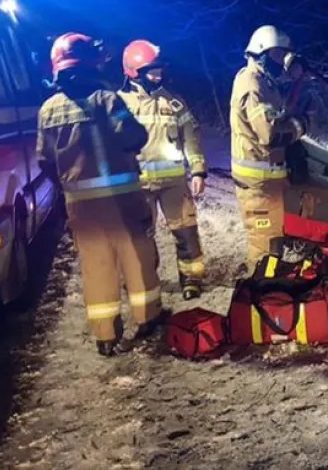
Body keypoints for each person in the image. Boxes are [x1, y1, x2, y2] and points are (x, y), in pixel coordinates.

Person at [37, 33, 162, 357]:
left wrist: (70, 185)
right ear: (90, 63)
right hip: (121, 199)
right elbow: (134, 136)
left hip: (81, 207)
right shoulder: (107, 100)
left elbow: (45, 161)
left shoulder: (48, 111)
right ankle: (147, 319)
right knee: (136, 257)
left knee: (96, 265)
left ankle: (105, 336)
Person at [119, 39, 207, 300]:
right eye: (152, 71)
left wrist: (199, 170)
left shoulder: (174, 102)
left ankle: (192, 279)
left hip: (174, 183)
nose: (159, 75)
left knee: (186, 231)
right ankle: (145, 282)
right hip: (136, 185)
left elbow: (191, 134)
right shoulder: (118, 104)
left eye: (159, 70)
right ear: (134, 72)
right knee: (141, 237)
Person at [229, 25, 306, 270]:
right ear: (261, 53)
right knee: (266, 246)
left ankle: (268, 285)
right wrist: (301, 125)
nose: (280, 62)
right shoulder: (252, 84)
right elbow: (270, 134)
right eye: (276, 56)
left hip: (268, 180)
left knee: (275, 239)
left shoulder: (266, 82)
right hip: (257, 184)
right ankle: (260, 292)